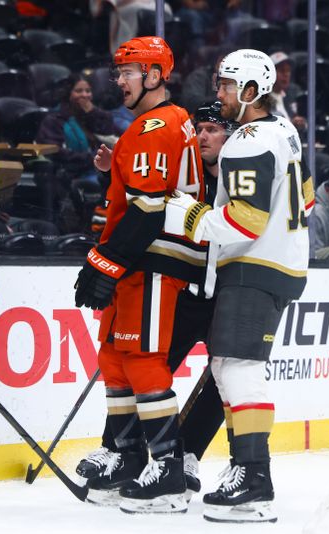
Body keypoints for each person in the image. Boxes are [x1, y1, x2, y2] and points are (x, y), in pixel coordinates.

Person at [164, 48, 312, 523]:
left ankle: (253, 476)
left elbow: (245, 221)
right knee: (232, 367)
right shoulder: (286, 131)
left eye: (227, 85)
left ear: (251, 92)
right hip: (275, 263)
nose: (219, 93)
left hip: (254, 266)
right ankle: (249, 472)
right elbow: (306, 200)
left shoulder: (246, 139)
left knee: (238, 369)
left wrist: (192, 216)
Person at [75, 100, 238, 499]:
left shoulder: (241, 180)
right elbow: (144, 198)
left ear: (231, 137)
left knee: (225, 381)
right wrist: (117, 170)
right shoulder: (187, 177)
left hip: (227, 296)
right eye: (198, 128)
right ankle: (116, 449)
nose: (202, 135)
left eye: (213, 130)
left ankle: (187, 455)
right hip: (186, 293)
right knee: (143, 368)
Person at [73, 36, 204, 514]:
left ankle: (167, 468)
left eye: (128, 72)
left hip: (153, 258)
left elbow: (149, 210)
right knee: (113, 355)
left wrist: (104, 260)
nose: (120, 81)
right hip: (137, 257)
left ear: (154, 75)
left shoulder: (154, 126)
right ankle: (128, 459)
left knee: (144, 357)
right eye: (120, 72)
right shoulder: (150, 127)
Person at [37, 74, 120, 185]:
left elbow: (108, 134)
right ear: (68, 94)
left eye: (88, 91)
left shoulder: (91, 116)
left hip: (96, 170)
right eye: (79, 91)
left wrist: (92, 113)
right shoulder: (54, 119)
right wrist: (91, 158)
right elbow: (56, 152)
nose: (85, 95)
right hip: (71, 174)